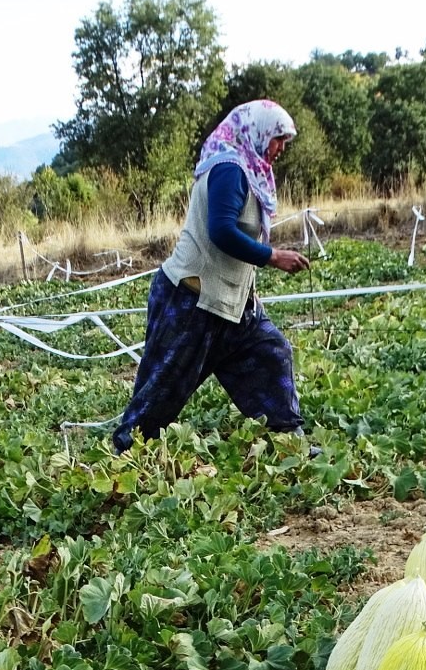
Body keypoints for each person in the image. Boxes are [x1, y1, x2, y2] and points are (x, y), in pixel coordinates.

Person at [113, 99, 313, 452]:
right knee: (163, 388)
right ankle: (127, 455)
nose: (282, 147)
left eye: (286, 141)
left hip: (234, 305)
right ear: (258, 131)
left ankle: (290, 442)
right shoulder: (229, 170)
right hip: (192, 300)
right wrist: (272, 256)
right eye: (279, 138)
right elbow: (221, 231)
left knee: (271, 352)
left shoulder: (251, 171)